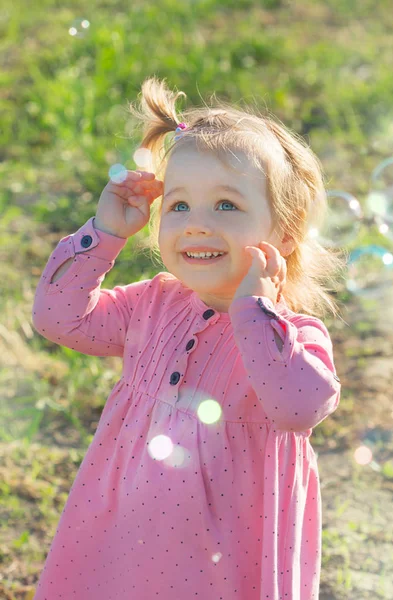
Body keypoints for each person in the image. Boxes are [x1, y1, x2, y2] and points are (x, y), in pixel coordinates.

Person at [32, 76, 345, 600]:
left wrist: (253, 311)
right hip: (123, 545)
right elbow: (58, 320)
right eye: (179, 206)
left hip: (226, 560)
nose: (197, 224)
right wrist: (105, 233)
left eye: (226, 205)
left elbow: (297, 408)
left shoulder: (290, 336)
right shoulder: (153, 304)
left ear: (285, 233)